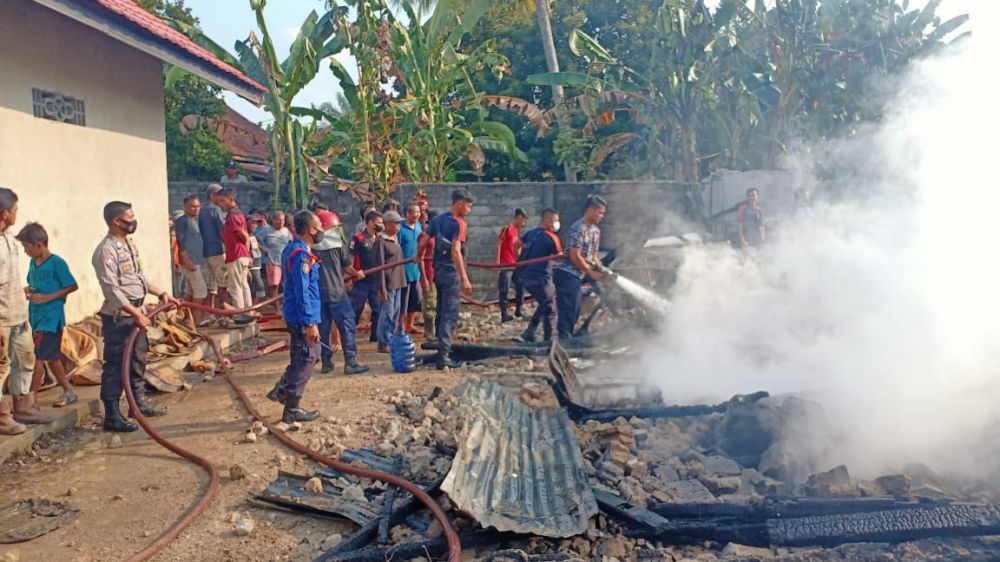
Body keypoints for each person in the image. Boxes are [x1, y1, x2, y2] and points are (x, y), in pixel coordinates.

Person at [92, 201, 178, 432]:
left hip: (137, 314)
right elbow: (112, 290)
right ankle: (111, 415)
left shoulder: (128, 245)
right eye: (129, 217)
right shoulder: (106, 251)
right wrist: (134, 314)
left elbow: (139, 278)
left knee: (137, 359)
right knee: (116, 365)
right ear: (116, 222)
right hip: (121, 318)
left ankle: (137, 403)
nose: (133, 221)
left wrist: (161, 293)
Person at [265, 211, 324, 423]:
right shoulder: (300, 254)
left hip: (301, 313)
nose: (322, 231)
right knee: (306, 357)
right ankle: (291, 408)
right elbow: (302, 290)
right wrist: (309, 322)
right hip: (301, 316)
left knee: (310, 355)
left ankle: (283, 389)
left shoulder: (295, 249)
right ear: (310, 230)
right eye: (319, 226)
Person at [0, 188, 52, 432]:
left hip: (18, 314)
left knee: (25, 359)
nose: (17, 214)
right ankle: (2, 416)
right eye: (16, 210)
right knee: (1, 369)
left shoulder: (9, 236)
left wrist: (20, 291)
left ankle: (23, 407)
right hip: (2, 320)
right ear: (5, 213)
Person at [16, 223, 79, 408]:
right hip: (36, 316)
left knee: (38, 357)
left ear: (38, 245)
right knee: (51, 358)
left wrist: (49, 297)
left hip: (51, 319)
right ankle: (68, 391)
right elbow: (31, 282)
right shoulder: (33, 263)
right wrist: (28, 291)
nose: (25, 251)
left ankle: (31, 400)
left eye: (26, 247)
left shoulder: (57, 263)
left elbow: (72, 285)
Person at [420, 189, 474, 370]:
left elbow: (424, 240)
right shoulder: (459, 224)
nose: (469, 210)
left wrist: (418, 256)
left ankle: (439, 348)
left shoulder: (438, 220)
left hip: (438, 271)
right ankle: (443, 356)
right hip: (451, 273)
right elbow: (455, 251)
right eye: (468, 206)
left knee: (441, 310)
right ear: (459, 203)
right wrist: (465, 278)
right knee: (449, 314)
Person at [313, 212, 369, 375]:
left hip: (317, 294)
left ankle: (326, 362)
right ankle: (350, 362)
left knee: (322, 329)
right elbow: (347, 268)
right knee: (347, 325)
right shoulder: (338, 244)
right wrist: (357, 273)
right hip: (337, 292)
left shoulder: (308, 246)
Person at [554, 195, 607, 340]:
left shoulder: (595, 231)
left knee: (576, 309)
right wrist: (591, 272)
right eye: (599, 212)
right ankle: (565, 341)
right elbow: (575, 255)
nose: (601, 216)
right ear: (590, 210)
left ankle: (567, 339)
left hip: (579, 275)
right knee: (568, 310)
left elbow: (594, 255)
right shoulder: (578, 228)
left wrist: (601, 269)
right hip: (567, 273)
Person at [517, 209, 563, 343]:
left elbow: (517, 244)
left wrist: (518, 259)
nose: (557, 224)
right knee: (550, 307)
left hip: (526, 276)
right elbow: (560, 258)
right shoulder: (552, 237)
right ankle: (548, 341)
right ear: (547, 221)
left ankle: (529, 332)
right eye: (555, 220)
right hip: (541, 278)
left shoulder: (531, 233)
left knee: (544, 302)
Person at [175, 195, 210, 326]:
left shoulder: (195, 220)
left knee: (190, 291)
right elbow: (181, 240)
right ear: (185, 207)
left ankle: (186, 318)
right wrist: (186, 259)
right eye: (193, 206)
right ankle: (196, 319)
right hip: (190, 261)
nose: (196, 209)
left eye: (197, 206)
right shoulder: (182, 221)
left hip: (198, 260)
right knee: (200, 290)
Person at [375, 211, 406, 353]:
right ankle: (383, 342)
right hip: (388, 283)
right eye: (396, 223)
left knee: (395, 313)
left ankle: (391, 339)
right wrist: (382, 288)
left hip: (398, 280)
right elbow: (380, 266)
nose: (399, 226)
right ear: (387, 224)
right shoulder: (381, 241)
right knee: (387, 313)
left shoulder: (395, 238)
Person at [218, 187, 254, 314]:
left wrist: (247, 252)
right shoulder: (237, 213)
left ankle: (240, 314)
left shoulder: (233, 215)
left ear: (231, 199)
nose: (221, 204)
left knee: (235, 287)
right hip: (241, 255)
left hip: (236, 255)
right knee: (243, 284)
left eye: (223, 201)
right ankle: (248, 311)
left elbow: (243, 235)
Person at [350, 210, 384, 343]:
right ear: (370, 223)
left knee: (377, 309)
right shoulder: (358, 238)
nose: (381, 225)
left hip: (376, 280)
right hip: (361, 279)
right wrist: (351, 275)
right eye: (379, 222)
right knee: (356, 309)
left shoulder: (380, 239)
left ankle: (375, 336)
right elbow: (351, 257)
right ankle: (349, 337)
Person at [198, 184, 227, 311]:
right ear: (212, 195)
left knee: (210, 284)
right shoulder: (216, 210)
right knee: (222, 282)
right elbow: (222, 230)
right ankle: (223, 308)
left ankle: (210, 310)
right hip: (217, 250)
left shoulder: (201, 210)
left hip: (204, 252)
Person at [496, 208, 527, 322]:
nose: (524, 223)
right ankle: (504, 315)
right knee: (504, 289)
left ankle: (518, 311)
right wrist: (497, 263)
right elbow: (498, 244)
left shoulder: (516, 231)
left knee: (520, 285)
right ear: (519, 217)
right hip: (505, 264)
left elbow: (515, 247)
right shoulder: (507, 229)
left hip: (514, 263)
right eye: (523, 220)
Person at [399, 202, 423, 335]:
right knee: (403, 300)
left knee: (415, 299)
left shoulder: (419, 226)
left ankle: (410, 325)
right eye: (414, 212)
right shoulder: (401, 229)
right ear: (407, 214)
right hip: (404, 269)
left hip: (416, 270)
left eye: (418, 212)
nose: (417, 215)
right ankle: (400, 326)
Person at [256, 211, 292, 298]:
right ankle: (276, 307)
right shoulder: (267, 231)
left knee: (286, 283)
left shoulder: (286, 231)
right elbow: (255, 240)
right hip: (272, 260)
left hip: (285, 261)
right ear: (274, 220)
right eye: (279, 220)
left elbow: (291, 241)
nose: (281, 222)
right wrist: (263, 250)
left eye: (283, 220)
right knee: (274, 285)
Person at [417, 209, 438, 340]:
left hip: (438, 273)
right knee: (429, 303)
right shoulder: (424, 235)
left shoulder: (439, 235)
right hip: (428, 273)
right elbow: (420, 257)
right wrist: (423, 277)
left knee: (437, 303)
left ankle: (436, 331)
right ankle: (429, 332)